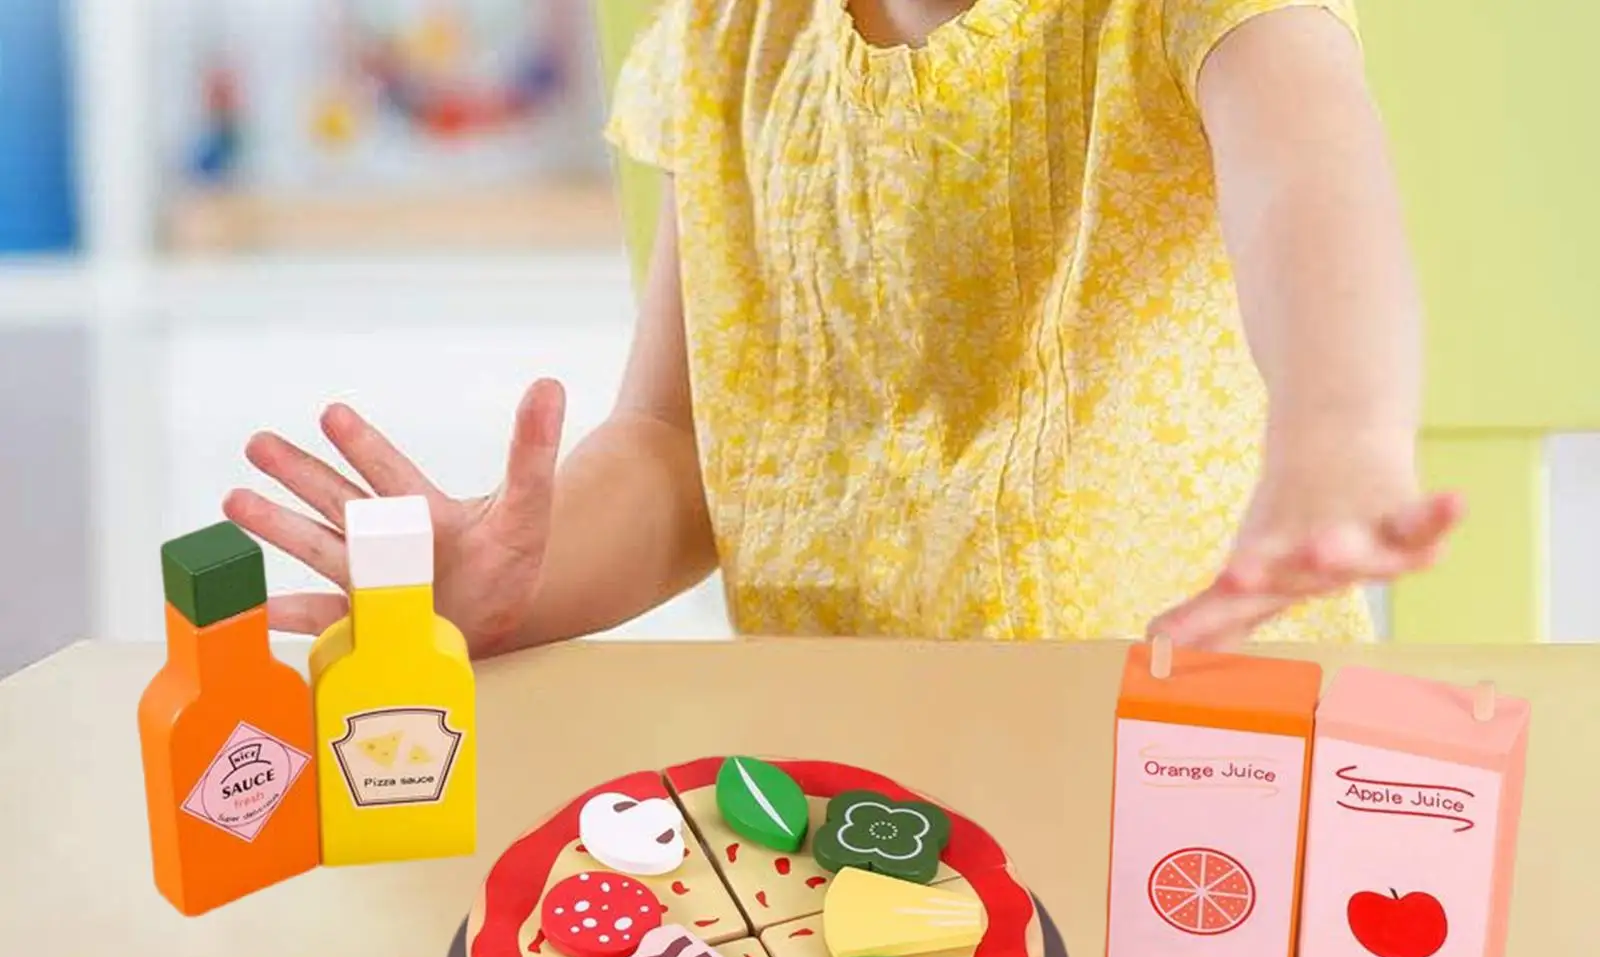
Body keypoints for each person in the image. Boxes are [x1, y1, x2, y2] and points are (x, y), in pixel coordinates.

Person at [226, 0, 1462, 655]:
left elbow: (1314, 189)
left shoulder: (1205, 12)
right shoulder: (729, 33)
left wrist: (1337, 437)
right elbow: (679, 452)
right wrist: (519, 582)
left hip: (1182, 760)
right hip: (849, 791)